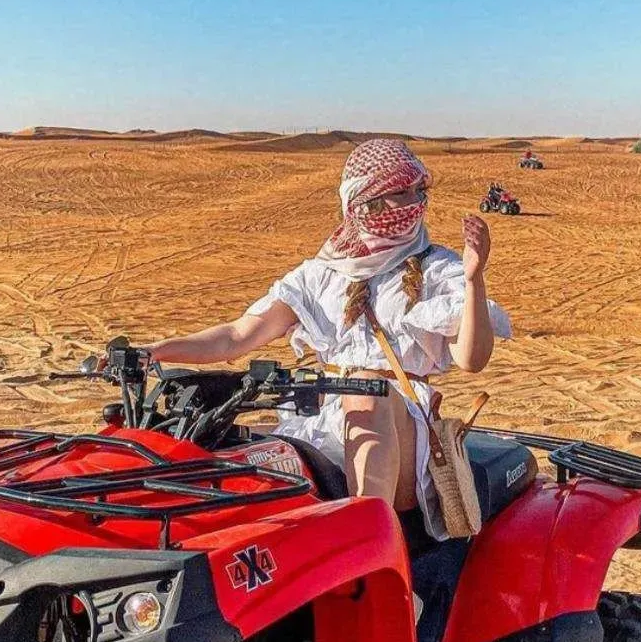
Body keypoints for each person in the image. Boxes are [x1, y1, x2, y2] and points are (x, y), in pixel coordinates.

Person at [146, 138, 511, 540]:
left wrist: (474, 280)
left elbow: (471, 358)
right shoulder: (320, 275)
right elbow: (236, 336)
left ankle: (369, 549)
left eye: (419, 190)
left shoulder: (438, 269)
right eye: (403, 192)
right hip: (325, 421)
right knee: (239, 446)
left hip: (402, 431)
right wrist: (157, 352)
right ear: (367, 203)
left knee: (368, 392)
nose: (417, 201)